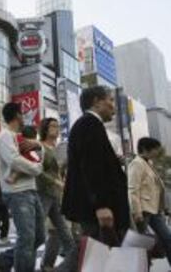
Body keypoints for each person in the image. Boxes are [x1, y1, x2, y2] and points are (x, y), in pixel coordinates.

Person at [62, 86, 130, 246]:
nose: (113, 105)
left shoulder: (89, 124)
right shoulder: (89, 124)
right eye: (110, 100)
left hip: (94, 205)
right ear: (96, 102)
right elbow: (92, 168)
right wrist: (101, 205)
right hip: (95, 207)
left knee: (92, 253)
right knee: (94, 253)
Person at [0, 102, 45, 272]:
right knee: (27, 237)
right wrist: (36, 168)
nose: (24, 117)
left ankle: (5, 259)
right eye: (22, 114)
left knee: (38, 236)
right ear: (17, 115)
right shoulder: (4, 136)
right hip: (17, 192)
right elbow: (14, 160)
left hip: (30, 189)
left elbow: (33, 156)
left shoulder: (20, 137)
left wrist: (38, 154)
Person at [37, 118, 77, 272]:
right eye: (52, 126)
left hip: (58, 195)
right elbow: (38, 171)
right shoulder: (40, 147)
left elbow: (61, 171)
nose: (56, 128)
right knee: (36, 233)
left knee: (64, 234)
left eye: (57, 126)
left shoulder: (59, 149)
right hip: (44, 194)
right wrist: (57, 182)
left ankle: (69, 265)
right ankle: (8, 258)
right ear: (45, 129)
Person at [129, 137, 171, 264]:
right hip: (143, 210)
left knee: (167, 238)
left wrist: (164, 207)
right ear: (145, 149)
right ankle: (136, 267)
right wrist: (137, 212)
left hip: (154, 210)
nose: (157, 152)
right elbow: (132, 189)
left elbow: (156, 188)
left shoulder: (148, 163)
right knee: (140, 243)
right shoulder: (136, 163)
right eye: (155, 149)